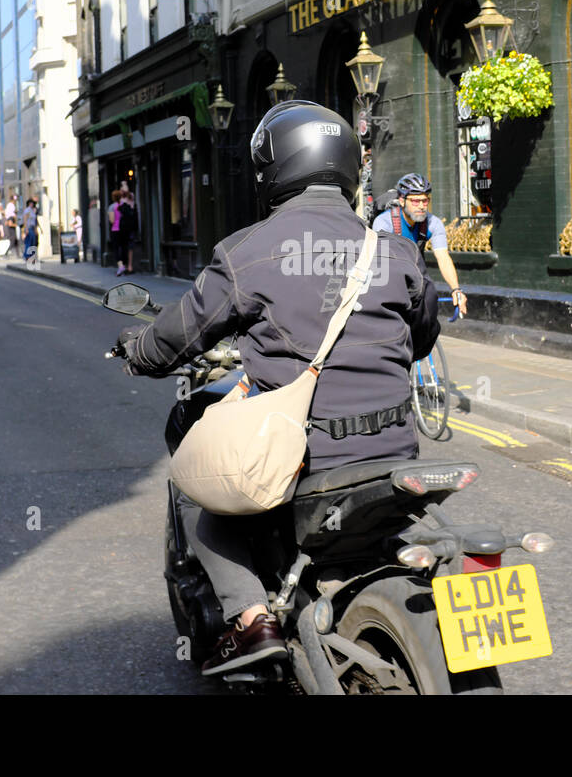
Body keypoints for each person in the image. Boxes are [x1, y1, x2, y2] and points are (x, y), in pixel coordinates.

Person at [120, 100, 440, 676]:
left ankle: (250, 621)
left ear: (274, 170)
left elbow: (180, 334)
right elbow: (420, 339)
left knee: (194, 485)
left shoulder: (247, 253)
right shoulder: (395, 250)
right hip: (395, 456)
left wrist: (139, 351)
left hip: (306, 463)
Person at [371, 173, 468, 318]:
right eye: (416, 201)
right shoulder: (384, 222)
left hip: (415, 273)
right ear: (402, 201)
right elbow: (381, 263)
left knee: (428, 305)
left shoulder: (433, 223)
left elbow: (443, 257)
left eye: (425, 201)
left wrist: (456, 290)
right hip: (390, 273)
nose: (422, 206)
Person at [116, 186, 138, 275]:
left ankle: (129, 266)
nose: (122, 190)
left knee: (129, 247)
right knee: (124, 246)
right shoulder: (120, 200)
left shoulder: (130, 197)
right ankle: (125, 266)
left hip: (129, 227)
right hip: (123, 227)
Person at [22, 197, 38, 265]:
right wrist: (26, 229)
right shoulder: (27, 210)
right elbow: (25, 220)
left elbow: (34, 221)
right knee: (29, 242)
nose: (32, 204)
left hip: (32, 228)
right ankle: (27, 256)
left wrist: (36, 229)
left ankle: (32, 257)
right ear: (28, 204)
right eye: (31, 203)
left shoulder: (32, 210)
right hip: (29, 228)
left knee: (33, 243)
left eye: (32, 203)